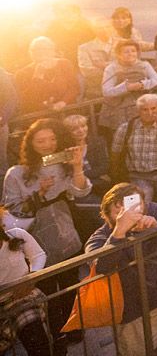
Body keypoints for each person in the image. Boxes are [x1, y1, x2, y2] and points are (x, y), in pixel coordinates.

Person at [2, 119, 89, 340]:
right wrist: (38, 195)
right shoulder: (16, 173)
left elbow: (81, 192)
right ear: (30, 143)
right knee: (47, 289)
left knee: (71, 283)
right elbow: (10, 210)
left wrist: (77, 165)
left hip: (65, 232)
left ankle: (74, 328)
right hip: (35, 238)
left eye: (52, 139)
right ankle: (56, 334)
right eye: (41, 140)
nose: (48, 144)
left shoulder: (63, 163)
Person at [84, 183, 157, 356]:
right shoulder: (99, 238)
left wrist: (156, 226)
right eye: (119, 212)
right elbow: (100, 266)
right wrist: (119, 232)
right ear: (106, 214)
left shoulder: (152, 211)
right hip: (138, 314)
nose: (128, 215)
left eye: (133, 207)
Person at [111, 94, 157, 205]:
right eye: (145, 109)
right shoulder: (126, 128)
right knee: (139, 207)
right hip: (138, 175)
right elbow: (115, 153)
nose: (150, 113)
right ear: (138, 111)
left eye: (153, 108)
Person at [0, 219, 52, 356]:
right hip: (1, 305)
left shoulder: (16, 235)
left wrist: (31, 277)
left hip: (24, 299)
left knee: (38, 343)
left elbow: (39, 255)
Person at [99, 39, 157, 143]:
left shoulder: (144, 65)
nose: (130, 54)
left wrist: (143, 84)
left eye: (133, 51)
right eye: (126, 51)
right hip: (119, 109)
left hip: (141, 107)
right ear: (118, 54)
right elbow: (106, 91)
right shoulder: (111, 68)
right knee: (123, 138)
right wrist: (126, 88)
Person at [13, 37, 78, 118]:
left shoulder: (64, 64)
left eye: (45, 49)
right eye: (36, 50)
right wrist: (38, 76)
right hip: (40, 116)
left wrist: (63, 102)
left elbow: (74, 87)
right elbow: (27, 99)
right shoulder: (22, 73)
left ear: (53, 51)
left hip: (67, 110)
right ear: (30, 53)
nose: (40, 52)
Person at [76, 18, 115, 102]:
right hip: (96, 93)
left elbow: (130, 64)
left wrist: (104, 65)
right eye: (100, 28)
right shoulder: (84, 48)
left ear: (112, 27)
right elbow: (86, 71)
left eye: (107, 26)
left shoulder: (124, 44)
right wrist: (115, 69)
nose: (104, 30)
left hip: (123, 91)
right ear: (94, 30)